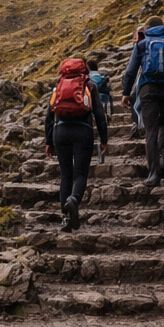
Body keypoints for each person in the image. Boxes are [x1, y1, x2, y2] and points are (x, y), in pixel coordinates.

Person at [121, 17, 164, 188]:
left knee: (150, 130)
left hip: (148, 89)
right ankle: (163, 160)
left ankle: (153, 174)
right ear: (163, 27)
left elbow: (130, 71)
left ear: (148, 28)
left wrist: (125, 93)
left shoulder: (142, 44)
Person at [45, 56, 109, 231]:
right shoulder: (90, 85)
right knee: (80, 173)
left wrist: (49, 141)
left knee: (66, 175)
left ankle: (65, 219)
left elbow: (49, 116)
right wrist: (104, 139)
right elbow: (99, 115)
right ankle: (74, 199)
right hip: (83, 131)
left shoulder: (58, 86)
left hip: (60, 132)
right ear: (84, 70)